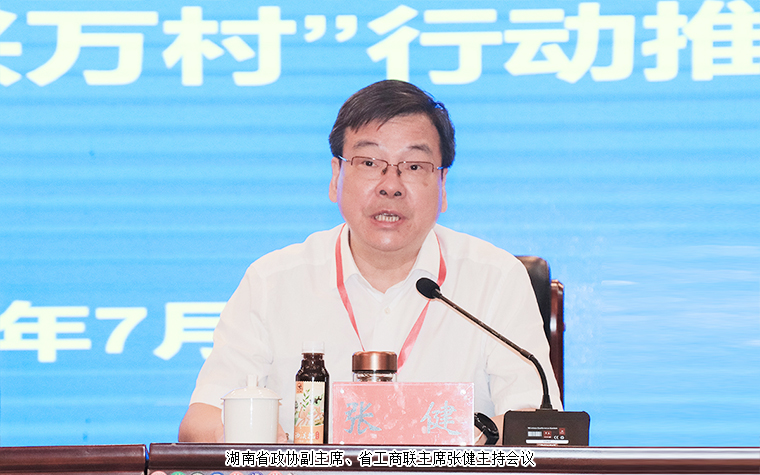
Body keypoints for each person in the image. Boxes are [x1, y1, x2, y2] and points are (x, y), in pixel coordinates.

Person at [178, 79, 562, 444]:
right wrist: (261, 442)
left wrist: (453, 446)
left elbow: (538, 422)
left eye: (414, 166)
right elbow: (201, 420)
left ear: (443, 185)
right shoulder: (272, 281)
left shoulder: (496, 279)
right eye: (368, 162)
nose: (390, 185)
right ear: (336, 177)